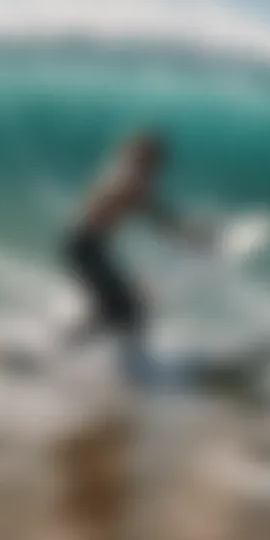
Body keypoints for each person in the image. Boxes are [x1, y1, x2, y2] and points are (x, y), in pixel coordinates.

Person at [61, 131, 213, 387]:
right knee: (125, 310)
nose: (160, 166)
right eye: (156, 160)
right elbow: (158, 216)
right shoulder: (129, 181)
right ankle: (121, 366)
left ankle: (80, 352)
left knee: (123, 310)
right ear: (144, 159)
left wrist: (190, 235)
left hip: (87, 246)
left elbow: (152, 212)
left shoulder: (123, 175)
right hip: (84, 247)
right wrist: (194, 237)